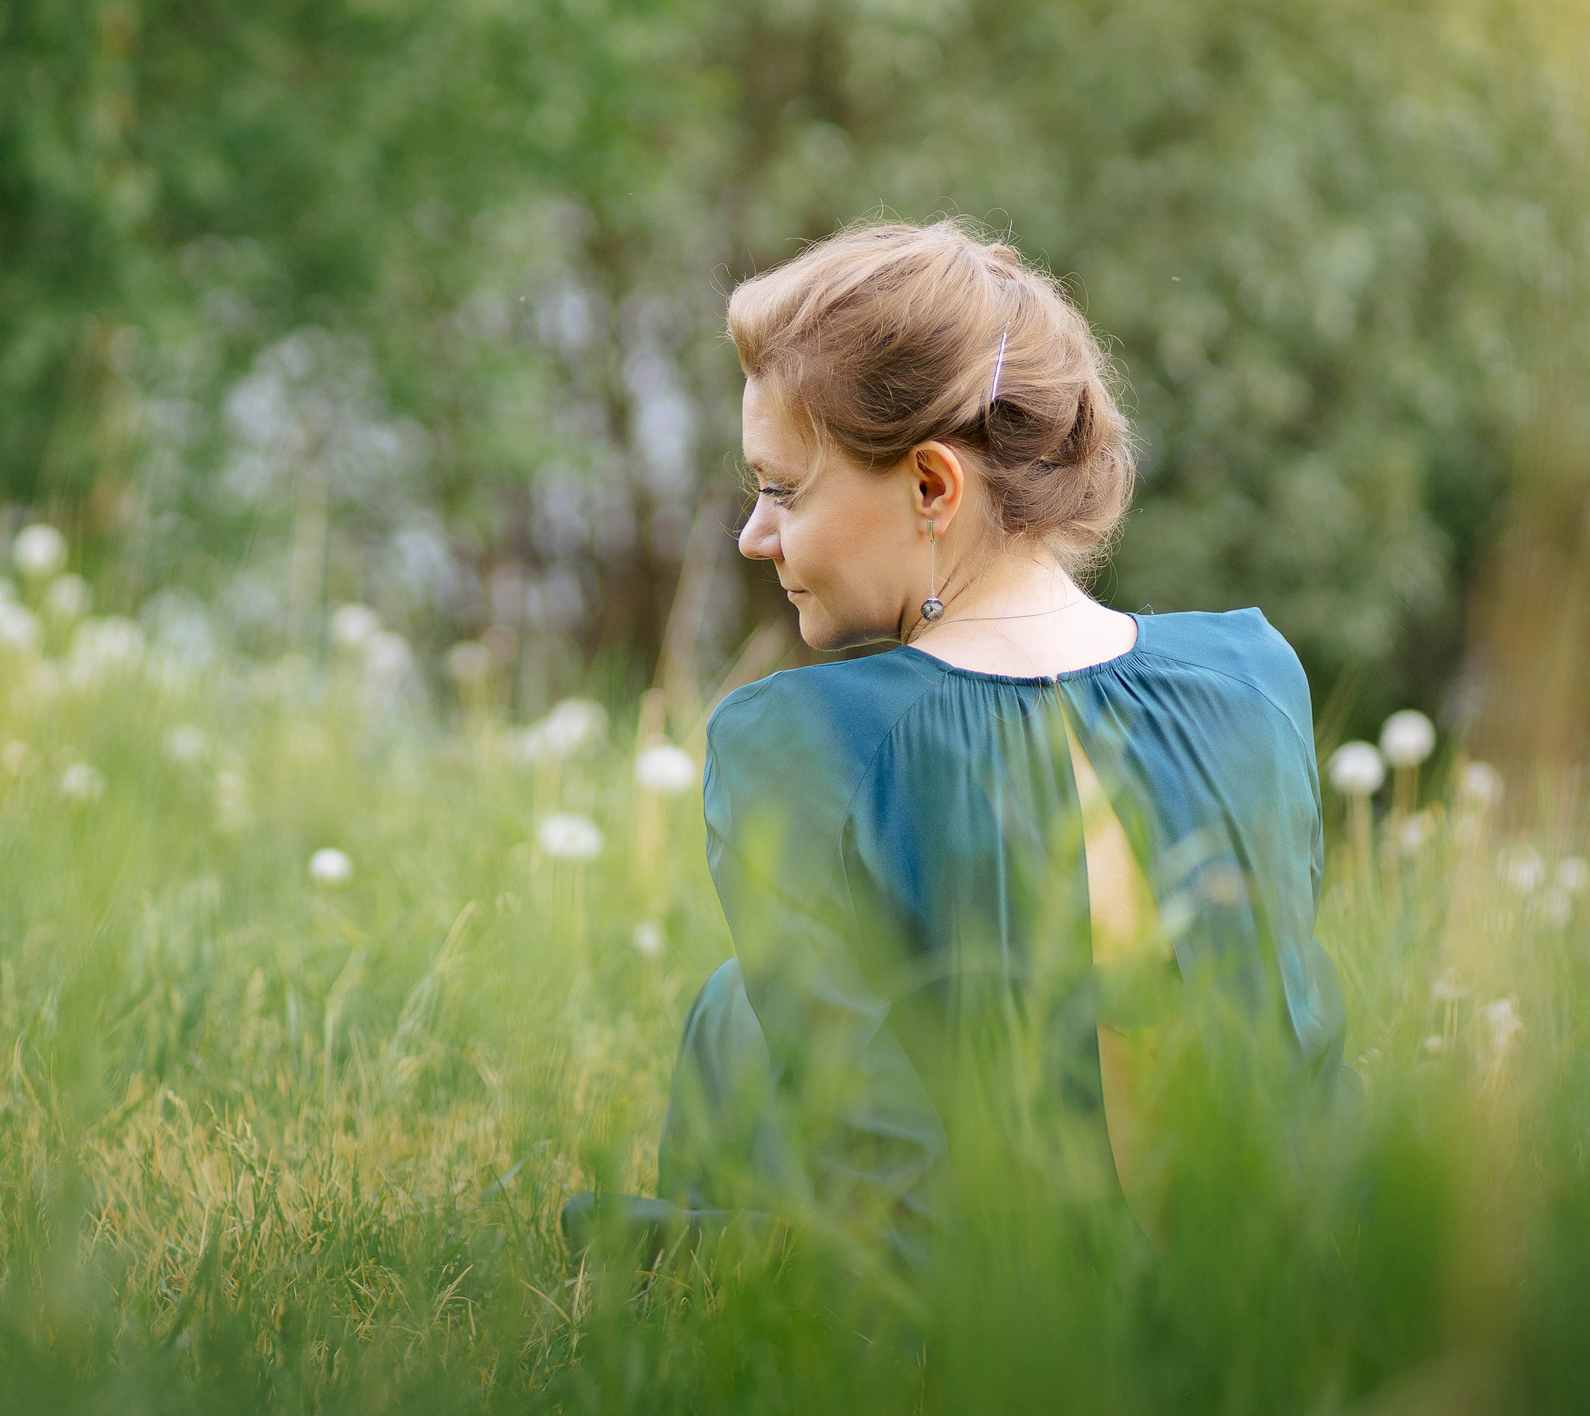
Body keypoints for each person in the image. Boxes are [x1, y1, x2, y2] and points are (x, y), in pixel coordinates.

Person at [577, 220, 1346, 1265]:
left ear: (932, 487)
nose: (755, 537)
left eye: (782, 487)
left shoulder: (799, 742)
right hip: (1269, 1283)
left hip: (995, 1312)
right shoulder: (1252, 679)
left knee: (734, 1016)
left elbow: (892, 1183)